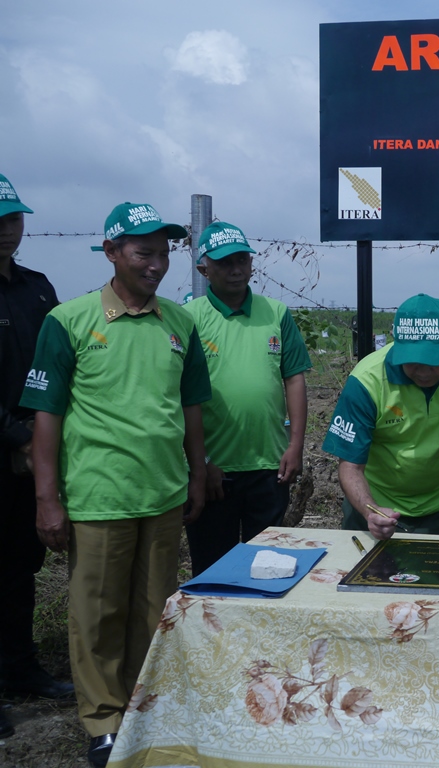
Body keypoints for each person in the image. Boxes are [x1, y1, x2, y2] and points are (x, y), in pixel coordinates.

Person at [20, 202, 210, 768]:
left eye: (165, 253)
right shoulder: (70, 321)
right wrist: (47, 499)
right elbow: (46, 416)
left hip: (163, 495)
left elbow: (192, 407)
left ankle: (141, 708)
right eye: (143, 252)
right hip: (100, 497)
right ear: (111, 253)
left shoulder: (180, 322)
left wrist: (197, 473)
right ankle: (102, 721)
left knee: (152, 611)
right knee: (97, 614)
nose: (157, 264)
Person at [184, 222, 312, 576]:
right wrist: (200, 464)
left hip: (270, 467)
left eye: (242, 259)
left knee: (269, 568)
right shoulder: (189, 319)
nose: (237, 269)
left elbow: (294, 378)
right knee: (214, 570)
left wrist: (295, 445)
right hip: (215, 472)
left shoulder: (276, 313)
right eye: (225, 263)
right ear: (203, 269)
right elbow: (181, 397)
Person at [322, 293, 439, 542]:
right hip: (376, 507)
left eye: (433, 361)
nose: (423, 371)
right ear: (396, 342)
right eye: (412, 361)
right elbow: (350, 466)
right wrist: (370, 511)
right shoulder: (366, 380)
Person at [0, 173, 71, 739]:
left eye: (13, 219)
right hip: (11, 446)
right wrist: (17, 436)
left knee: (21, 566)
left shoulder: (38, 288)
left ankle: (20, 669)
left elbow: (57, 373)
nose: (7, 231)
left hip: (33, 458)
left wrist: (43, 439)